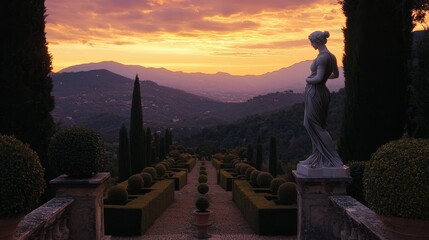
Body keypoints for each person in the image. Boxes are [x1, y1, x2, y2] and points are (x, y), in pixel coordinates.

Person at [299, 31, 343, 168]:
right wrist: (323, 78)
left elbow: (318, 78)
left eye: (311, 42)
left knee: (316, 125)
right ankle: (317, 156)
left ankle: (333, 158)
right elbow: (335, 75)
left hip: (316, 92)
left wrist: (308, 79)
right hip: (321, 91)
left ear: (316, 42)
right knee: (310, 124)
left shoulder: (322, 58)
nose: (311, 44)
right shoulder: (332, 56)